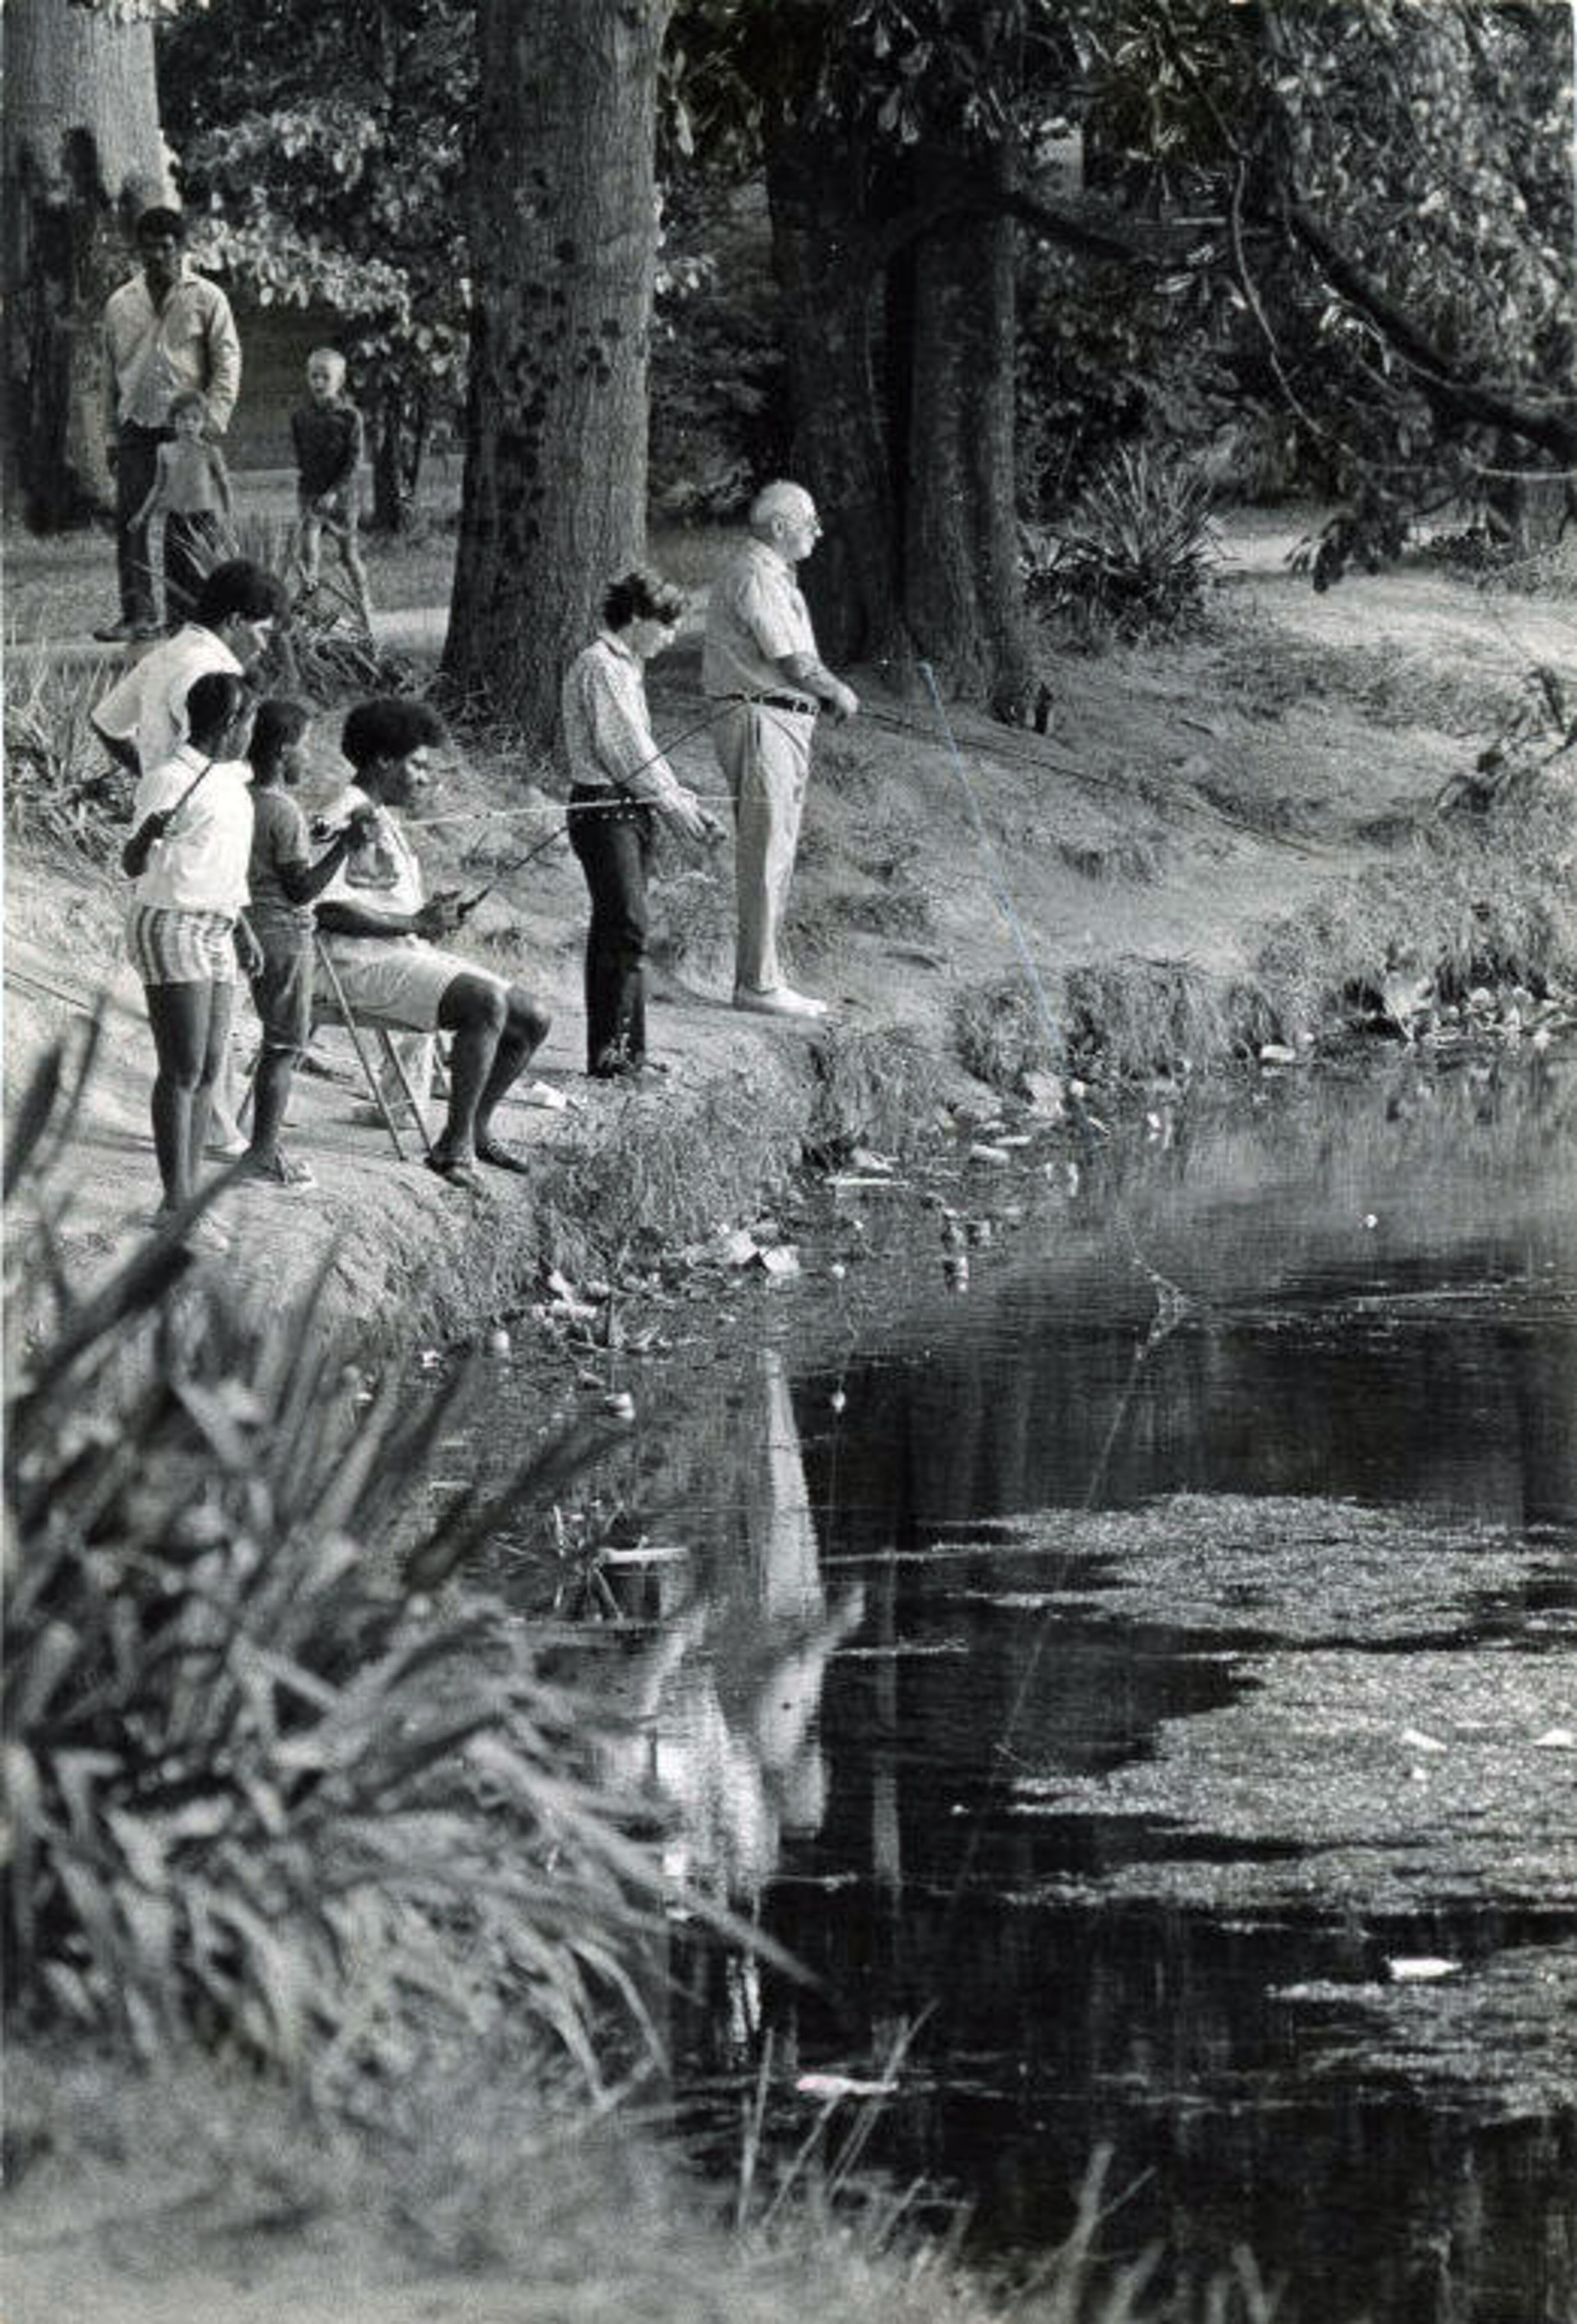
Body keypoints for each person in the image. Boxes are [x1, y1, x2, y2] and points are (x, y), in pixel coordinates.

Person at [314, 698, 552, 1191]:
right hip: (349, 966)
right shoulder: (343, 816)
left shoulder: (382, 816)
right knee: (482, 1004)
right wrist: (413, 921)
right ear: (383, 760)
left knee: (533, 1016)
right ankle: (453, 1144)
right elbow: (326, 908)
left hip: (398, 955)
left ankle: (477, 1129)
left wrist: (428, 920)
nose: (424, 778)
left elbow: (386, 902)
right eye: (417, 764)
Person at [94, 559, 287, 1154]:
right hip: (202, 843)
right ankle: (209, 1138)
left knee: (211, 1015)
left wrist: (156, 779)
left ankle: (216, 1125)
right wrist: (175, 787)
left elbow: (106, 722)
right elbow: (205, 750)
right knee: (196, 1034)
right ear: (234, 621)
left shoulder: (168, 652)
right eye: (261, 630)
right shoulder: (216, 671)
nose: (263, 644)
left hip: (192, 830)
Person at [702, 479, 859, 1019]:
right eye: (809, 520)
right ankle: (758, 985)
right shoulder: (755, 571)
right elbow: (792, 660)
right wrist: (838, 691)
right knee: (766, 850)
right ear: (779, 527)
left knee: (778, 851)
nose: (817, 530)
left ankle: (766, 976)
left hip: (782, 722)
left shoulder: (773, 573)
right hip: (759, 720)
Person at [560, 569, 722, 1079]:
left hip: (631, 809)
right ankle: (614, 1058)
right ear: (636, 619)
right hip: (603, 809)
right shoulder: (601, 666)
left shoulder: (626, 667)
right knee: (625, 925)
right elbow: (625, 753)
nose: (672, 637)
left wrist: (685, 802)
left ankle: (628, 1054)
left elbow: (645, 752)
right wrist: (679, 812)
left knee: (627, 928)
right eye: (666, 626)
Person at [121, 670, 261, 1251]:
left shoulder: (232, 780)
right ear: (232, 724)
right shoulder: (168, 780)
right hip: (171, 922)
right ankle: (174, 1204)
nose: (253, 732)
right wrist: (150, 832)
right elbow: (132, 866)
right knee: (182, 1070)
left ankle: (190, 1196)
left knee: (209, 1068)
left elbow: (223, 865)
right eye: (249, 721)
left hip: (219, 925)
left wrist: (244, 926)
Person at [241, 698, 380, 1191]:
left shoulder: (244, 797)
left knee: (275, 1042)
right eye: (304, 749)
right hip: (283, 934)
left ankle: (255, 1144)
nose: (311, 760)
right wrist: (345, 846)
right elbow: (301, 889)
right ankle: (261, 1153)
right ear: (282, 751)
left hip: (249, 927)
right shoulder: (284, 811)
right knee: (284, 1046)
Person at [98, 207, 242, 643]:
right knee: (131, 520)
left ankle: (186, 616)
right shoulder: (121, 303)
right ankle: (138, 614)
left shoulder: (207, 297)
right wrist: (109, 433)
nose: (159, 256)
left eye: (167, 247)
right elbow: (109, 374)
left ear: (181, 249)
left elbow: (227, 359)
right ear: (139, 251)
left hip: (189, 429)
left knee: (188, 522)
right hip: (137, 426)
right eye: (150, 248)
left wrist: (214, 418)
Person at [130, 388, 235, 631]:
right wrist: (142, 514)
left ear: (204, 422)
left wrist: (228, 518)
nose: (189, 424)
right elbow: (158, 486)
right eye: (182, 418)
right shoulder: (165, 451)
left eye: (195, 419)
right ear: (173, 421)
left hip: (203, 521)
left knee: (201, 574)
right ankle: (176, 623)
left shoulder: (211, 452)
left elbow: (225, 486)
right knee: (175, 572)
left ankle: (205, 622)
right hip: (176, 520)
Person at [289, 349, 375, 636]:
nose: (319, 382)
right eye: (314, 376)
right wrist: (310, 490)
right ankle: (312, 614)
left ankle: (365, 607)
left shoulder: (351, 417)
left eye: (326, 376)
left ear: (340, 380)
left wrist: (336, 491)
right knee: (308, 553)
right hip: (311, 494)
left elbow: (355, 460)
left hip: (342, 498)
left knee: (349, 556)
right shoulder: (301, 416)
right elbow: (303, 455)